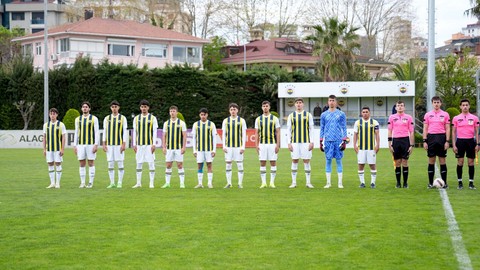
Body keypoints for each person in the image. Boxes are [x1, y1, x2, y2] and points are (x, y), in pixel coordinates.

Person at [320, 95, 347, 189]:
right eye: (330, 100)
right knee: (328, 161)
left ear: (336, 102)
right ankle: (328, 183)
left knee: (339, 161)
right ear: (328, 102)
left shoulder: (341, 114)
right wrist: (321, 140)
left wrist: (344, 140)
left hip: (338, 140)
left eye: (333, 100)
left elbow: (344, 127)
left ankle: (340, 183)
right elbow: (322, 128)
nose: (331, 102)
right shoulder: (323, 115)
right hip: (328, 141)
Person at [423, 96, 450, 189]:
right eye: (434, 102)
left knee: (442, 160)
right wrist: (425, 141)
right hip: (431, 138)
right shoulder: (427, 115)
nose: (436, 104)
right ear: (432, 103)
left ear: (440, 103)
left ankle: (444, 183)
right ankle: (430, 183)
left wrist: (447, 141)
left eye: (438, 102)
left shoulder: (445, 114)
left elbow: (447, 128)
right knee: (431, 160)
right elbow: (425, 128)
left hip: (442, 137)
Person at [286, 98, 314, 188]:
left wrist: (312, 142)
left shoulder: (308, 115)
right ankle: (293, 183)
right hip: (294, 142)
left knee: (306, 161)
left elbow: (311, 129)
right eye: (297, 103)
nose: (298, 104)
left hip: (306, 142)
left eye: (300, 103)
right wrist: (289, 143)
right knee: (294, 160)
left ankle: (308, 182)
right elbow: (289, 130)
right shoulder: (291, 115)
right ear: (295, 105)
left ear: (303, 104)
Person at [452, 99, 479, 190]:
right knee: (460, 162)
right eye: (463, 105)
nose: (465, 107)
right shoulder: (456, 118)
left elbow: (477, 132)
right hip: (460, 141)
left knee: (470, 163)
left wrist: (478, 144)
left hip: (471, 141)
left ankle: (471, 183)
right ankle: (460, 182)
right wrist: (454, 144)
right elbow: (453, 132)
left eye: (467, 105)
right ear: (460, 106)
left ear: (469, 106)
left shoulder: (474, 118)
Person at [132, 99, 158, 188]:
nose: (144, 108)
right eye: (142, 107)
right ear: (140, 108)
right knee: (139, 163)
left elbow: (154, 131)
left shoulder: (153, 118)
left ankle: (151, 183)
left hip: (149, 144)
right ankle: (138, 183)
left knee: (151, 163)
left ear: (148, 108)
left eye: (145, 107)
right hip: (139, 145)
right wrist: (134, 144)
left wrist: (154, 144)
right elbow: (135, 132)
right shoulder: (136, 118)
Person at [388, 100, 414, 188]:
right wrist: (389, 143)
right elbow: (390, 130)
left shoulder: (408, 117)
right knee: (397, 162)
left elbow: (411, 131)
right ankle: (398, 183)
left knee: (405, 162)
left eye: (401, 105)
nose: (400, 107)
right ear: (395, 107)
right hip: (396, 141)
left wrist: (411, 145)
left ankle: (405, 183)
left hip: (405, 141)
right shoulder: (392, 117)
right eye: (398, 105)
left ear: (404, 107)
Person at [102, 100, 128, 188]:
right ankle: (112, 182)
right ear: (110, 108)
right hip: (109, 145)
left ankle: (120, 182)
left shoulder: (123, 118)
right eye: (112, 107)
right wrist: (104, 143)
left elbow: (125, 131)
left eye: (115, 107)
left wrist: (124, 144)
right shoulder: (107, 118)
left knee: (120, 164)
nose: (114, 109)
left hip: (119, 144)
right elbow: (105, 131)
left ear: (118, 108)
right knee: (110, 164)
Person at [255, 101, 280, 188]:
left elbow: (277, 132)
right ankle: (263, 183)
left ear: (269, 107)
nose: (265, 107)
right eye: (264, 106)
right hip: (262, 144)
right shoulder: (258, 119)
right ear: (262, 107)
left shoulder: (275, 119)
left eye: (266, 106)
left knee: (273, 162)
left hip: (272, 144)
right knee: (262, 162)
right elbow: (257, 133)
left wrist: (278, 144)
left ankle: (272, 182)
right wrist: (256, 145)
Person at [74, 101, 99, 188]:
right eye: (83, 107)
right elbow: (76, 132)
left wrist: (96, 144)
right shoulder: (78, 119)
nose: (85, 108)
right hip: (80, 144)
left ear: (89, 108)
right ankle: (82, 182)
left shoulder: (94, 119)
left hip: (90, 144)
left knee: (91, 162)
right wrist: (75, 145)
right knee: (81, 163)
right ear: (81, 109)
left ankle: (91, 182)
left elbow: (96, 132)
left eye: (86, 107)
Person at [353, 106, 380, 188]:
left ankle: (373, 183)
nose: (365, 113)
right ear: (361, 113)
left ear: (369, 113)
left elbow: (377, 134)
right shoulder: (357, 122)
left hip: (371, 148)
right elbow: (355, 134)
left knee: (372, 165)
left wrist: (377, 144)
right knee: (361, 165)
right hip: (361, 148)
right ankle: (362, 183)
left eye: (366, 112)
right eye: (363, 112)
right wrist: (354, 145)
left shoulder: (374, 122)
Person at [222, 103, 247, 188]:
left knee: (239, 164)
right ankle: (229, 183)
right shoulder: (226, 121)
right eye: (231, 109)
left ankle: (240, 183)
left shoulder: (242, 121)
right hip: (228, 147)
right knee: (228, 164)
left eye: (234, 109)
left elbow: (244, 134)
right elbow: (223, 134)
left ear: (237, 110)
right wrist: (224, 146)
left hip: (238, 146)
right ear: (229, 111)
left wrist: (243, 147)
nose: (233, 111)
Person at [161, 106, 187, 188]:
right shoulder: (166, 123)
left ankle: (182, 183)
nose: (172, 112)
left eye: (174, 111)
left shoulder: (181, 123)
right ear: (169, 112)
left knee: (180, 165)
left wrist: (183, 147)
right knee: (168, 165)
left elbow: (184, 135)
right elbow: (164, 136)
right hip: (169, 148)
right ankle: (167, 183)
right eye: (171, 111)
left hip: (178, 148)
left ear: (177, 113)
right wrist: (164, 147)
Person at [192, 108, 217, 189]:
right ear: (199, 115)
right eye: (201, 115)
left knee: (209, 165)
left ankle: (209, 183)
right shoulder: (196, 124)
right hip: (199, 149)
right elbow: (194, 138)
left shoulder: (211, 124)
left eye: (204, 114)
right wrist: (194, 150)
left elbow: (214, 138)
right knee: (199, 165)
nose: (203, 116)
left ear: (207, 115)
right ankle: (200, 183)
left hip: (209, 149)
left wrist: (214, 150)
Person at [43, 108, 66, 189]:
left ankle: (57, 183)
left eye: (54, 114)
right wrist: (44, 149)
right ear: (49, 115)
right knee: (50, 164)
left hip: (57, 149)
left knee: (58, 163)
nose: (52, 115)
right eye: (51, 114)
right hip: (49, 149)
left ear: (57, 115)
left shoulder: (61, 124)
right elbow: (44, 137)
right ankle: (52, 183)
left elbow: (63, 137)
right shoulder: (46, 125)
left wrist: (62, 149)